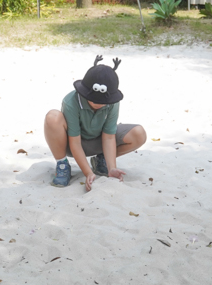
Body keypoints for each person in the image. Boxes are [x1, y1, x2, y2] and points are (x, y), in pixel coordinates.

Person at [43, 55, 147, 191]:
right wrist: (88, 173)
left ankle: (101, 161)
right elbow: (75, 142)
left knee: (139, 133)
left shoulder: (112, 102)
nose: (99, 103)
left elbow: (109, 136)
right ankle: (62, 165)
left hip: (99, 141)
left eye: (103, 101)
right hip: (71, 143)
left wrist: (112, 168)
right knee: (52, 116)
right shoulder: (71, 102)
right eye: (94, 99)